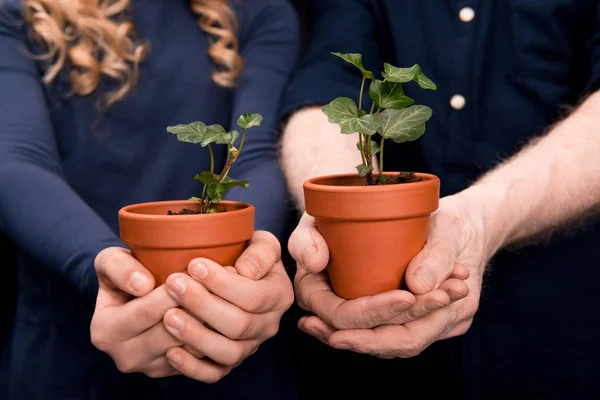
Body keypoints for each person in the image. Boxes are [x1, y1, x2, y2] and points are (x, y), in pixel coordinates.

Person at [281, 1, 600, 399]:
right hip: (372, 368)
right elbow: (328, 80)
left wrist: (482, 218)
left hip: (559, 329)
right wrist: (332, 206)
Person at [0, 0, 299, 399]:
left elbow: (256, 152)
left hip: (226, 335)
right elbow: (17, 160)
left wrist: (248, 265)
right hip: (69, 349)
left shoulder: (257, 10)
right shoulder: (19, 12)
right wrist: (108, 268)